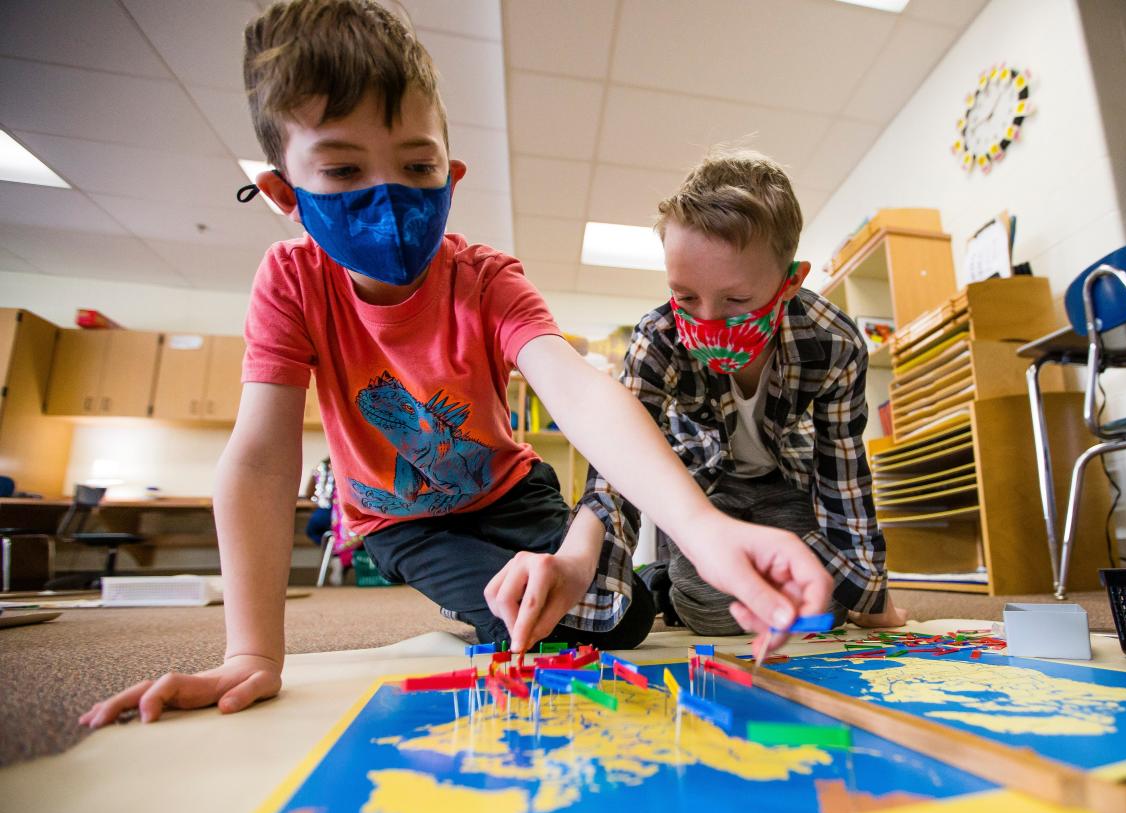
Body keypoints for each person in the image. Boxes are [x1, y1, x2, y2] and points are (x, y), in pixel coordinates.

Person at [79, 0, 831, 729]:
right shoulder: (292, 283)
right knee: (547, 629)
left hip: (513, 493)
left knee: (625, 619)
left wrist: (701, 529)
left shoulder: (485, 277)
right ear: (284, 193)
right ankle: (488, 595)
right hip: (404, 525)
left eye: (416, 164)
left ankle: (597, 585)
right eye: (342, 171)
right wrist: (251, 650)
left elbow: (578, 389)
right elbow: (261, 461)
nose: (390, 195)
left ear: (451, 171)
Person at [500, 149, 905, 640]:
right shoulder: (658, 336)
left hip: (786, 480)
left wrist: (870, 593)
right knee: (715, 613)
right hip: (700, 488)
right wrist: (581, 562)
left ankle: (684, 575)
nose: (708, 321)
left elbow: (842, 469)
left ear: (790, 282)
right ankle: (667, 579)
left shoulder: (834, 341)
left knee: (819, 599)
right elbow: (616, 465)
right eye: (686, 297)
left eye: (737, 301)